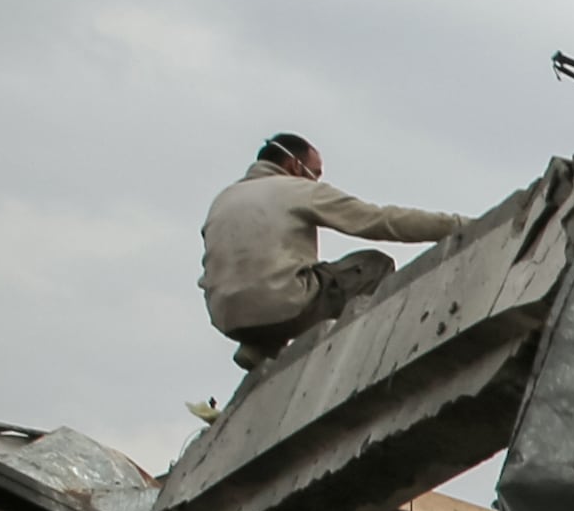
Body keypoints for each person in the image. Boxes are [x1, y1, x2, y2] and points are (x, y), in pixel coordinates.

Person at [202, 134, 471, 369]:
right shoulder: (297, 189)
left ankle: (259, 347)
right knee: (374, 266)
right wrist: (455, 225)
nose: (318, 181)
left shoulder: (223, 200)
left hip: (227, 316)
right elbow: (380, 220)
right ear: (295, 165)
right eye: (316, 173)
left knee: (280, 280)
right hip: (283, 303)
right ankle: (352, 355)